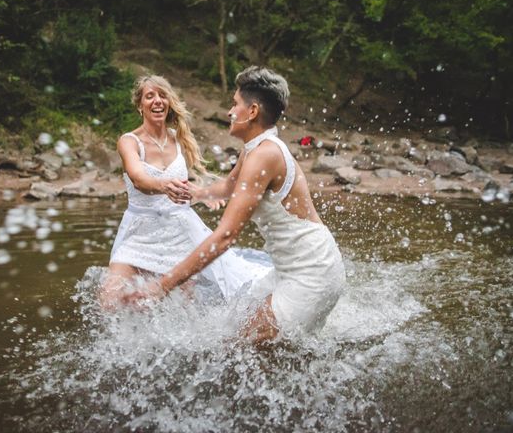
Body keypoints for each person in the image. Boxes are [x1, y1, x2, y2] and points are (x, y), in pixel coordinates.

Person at [124, 66, 346, 343]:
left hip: (312, 274)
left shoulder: (264, 156)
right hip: (295, 268)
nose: (230, 111)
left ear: (252, 112)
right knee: (236, 334)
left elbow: (226, 236)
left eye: (235, 104)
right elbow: (229, 186)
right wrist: (200, 193)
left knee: (241, 350)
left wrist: (162, 285)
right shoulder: (255, 148)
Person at [99, 74, 268, 309]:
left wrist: (201, 194)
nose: (157, 101)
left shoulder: (179, 139)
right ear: (140, 105)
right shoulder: (129, 141)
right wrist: (163, 186)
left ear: (169, 103)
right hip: (139, 233)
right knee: (109, 302)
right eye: (150, 96)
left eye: (162, 95)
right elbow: (138, 178)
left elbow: (184, 181)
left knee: (181, 309)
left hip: (179, 232)